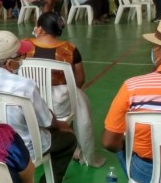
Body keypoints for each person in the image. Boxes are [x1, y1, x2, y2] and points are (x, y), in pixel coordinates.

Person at [0, 30, 77, 183]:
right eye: (21, 56)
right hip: (23, 149)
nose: (23, 59)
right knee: (68, 141)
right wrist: (62, 125)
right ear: (10, 63)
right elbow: (47, 121)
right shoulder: (24, 85)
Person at [102, 19, 161, 183]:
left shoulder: (133, 86)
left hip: (149, 171)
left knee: (128, 150)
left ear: (159, 51)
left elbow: (109, 142)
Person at [24, 12, 105, 168]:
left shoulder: (23, 45)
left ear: (39, 28)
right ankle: (78, 147)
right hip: (60, 104)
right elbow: (80, 80)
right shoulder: (69, 50)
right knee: (79, 97)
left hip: (29, 99)